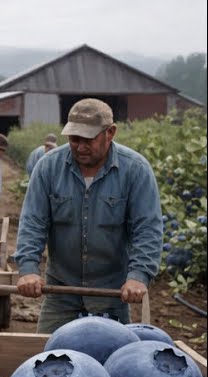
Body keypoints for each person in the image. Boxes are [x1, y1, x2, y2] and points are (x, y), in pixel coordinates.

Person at [14, 98, 162, 332]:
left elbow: (147, 228)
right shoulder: (48, 167)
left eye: (88, 139)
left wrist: (139, 275)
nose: (81, 146)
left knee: (112, 361)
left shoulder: (135, 169)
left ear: (110, 132)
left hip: (112, 293)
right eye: (74, 139)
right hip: (61, 290)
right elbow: (33, 222)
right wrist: (29, 269)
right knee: (48, 359)